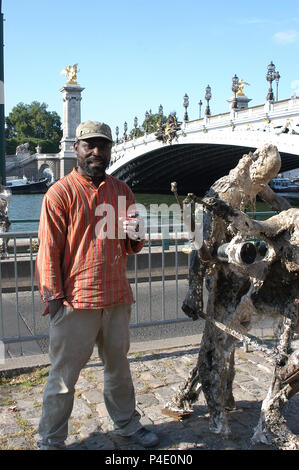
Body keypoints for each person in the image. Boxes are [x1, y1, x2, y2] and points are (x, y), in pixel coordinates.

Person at [35, 120, 159, 450]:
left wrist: (135, 232)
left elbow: (132, 245)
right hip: (76, 301)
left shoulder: (123, 191)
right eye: (89, 144)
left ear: (110, 150)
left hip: (117, 298)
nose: (96, 151)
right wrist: (54, 299)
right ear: (76, 148)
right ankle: (50, 440)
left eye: (102, 145)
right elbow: (48, 250)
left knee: (119, 369)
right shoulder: (59, 193)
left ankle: (127, 426)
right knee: (63, 378)